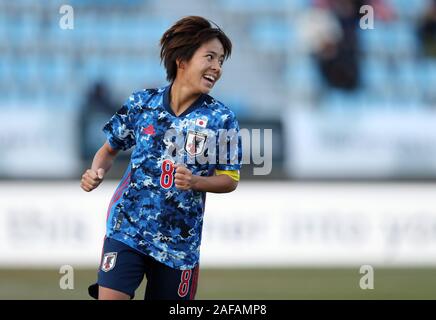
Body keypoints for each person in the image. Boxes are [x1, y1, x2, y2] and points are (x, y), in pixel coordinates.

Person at [80, 16, 241, 300]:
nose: (217, 68)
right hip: (127, 229)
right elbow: (108, 151)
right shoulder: (142, 103)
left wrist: (195, 182)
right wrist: (96, 172)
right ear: (182, 60)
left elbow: (230, 180)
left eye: (221, 61)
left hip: (180, 246)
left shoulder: (222, 118)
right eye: (210, 57)